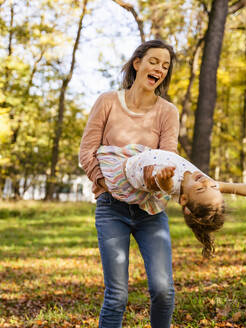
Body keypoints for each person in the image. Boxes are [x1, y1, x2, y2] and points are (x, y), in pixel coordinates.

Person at [79, 40, 179, 328]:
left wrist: (162, 178)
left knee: (163, 291)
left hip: (151, 211)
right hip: (112, 208)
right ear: (137, 63)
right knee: (117, 296)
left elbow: (166, 157)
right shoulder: (108, 102)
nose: (159, 68)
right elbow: (87, 151)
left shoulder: (167, 112)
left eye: (165, 66)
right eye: (154, 61)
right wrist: (108, 184)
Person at [96, 144, 246, 258]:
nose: (207, 182)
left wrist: (161, 180)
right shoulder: (204, 183)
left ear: (185, 199)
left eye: (201, 188)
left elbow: (161, 184)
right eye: (213, 186)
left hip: (129, 170)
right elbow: (243, 189)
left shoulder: (171, 183)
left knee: (107, 165)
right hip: (139, 153)